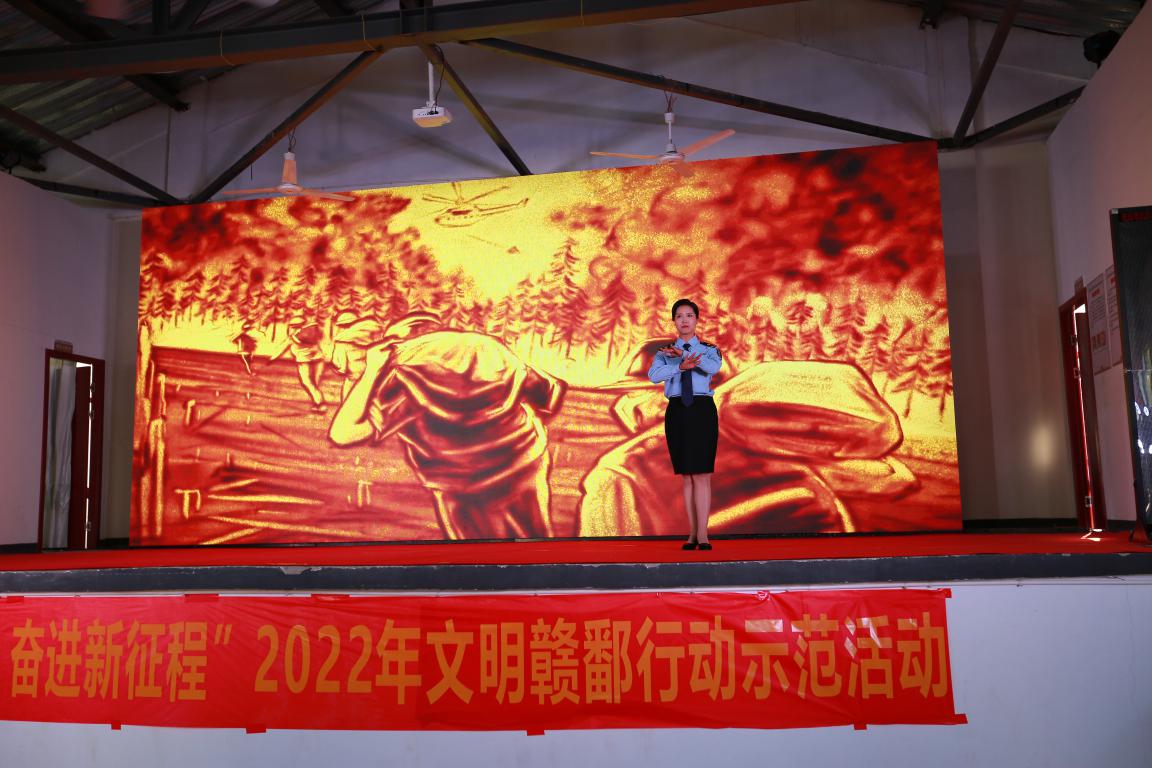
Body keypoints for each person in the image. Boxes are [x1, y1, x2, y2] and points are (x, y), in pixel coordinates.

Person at [328, 329, 566, 540]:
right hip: (524, 463)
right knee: (537, 544)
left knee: (482, 561)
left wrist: (370, 373)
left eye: (348, 363)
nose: (344, 371)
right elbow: (550, 393)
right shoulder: (485, 347)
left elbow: (343, 434)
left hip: (460, 485)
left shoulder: (397, 380)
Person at [647, 298, 722, 550]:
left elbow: (712, 367)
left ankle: (703, 534)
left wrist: (686, 355)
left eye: (689, 315)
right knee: (687, 475)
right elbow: (653, 376)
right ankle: (692, 534)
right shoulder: (664, 352)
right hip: (678, 410)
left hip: (702, 410)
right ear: (674, 321)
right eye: (679, 316)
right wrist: (679, 366)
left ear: (697, 319)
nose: (685, 320)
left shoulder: (709, 349)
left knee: (702, 474)